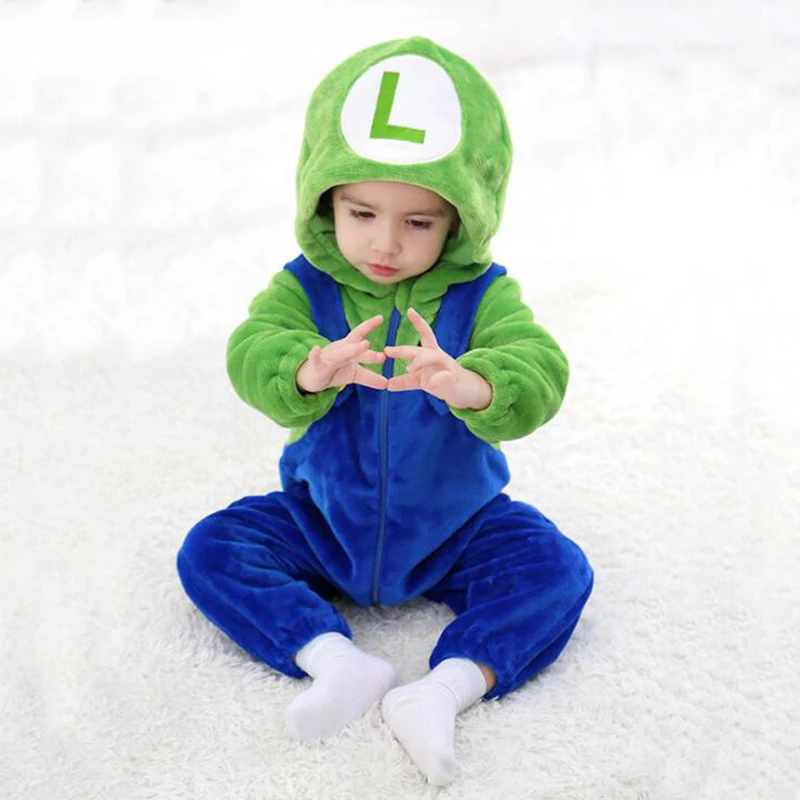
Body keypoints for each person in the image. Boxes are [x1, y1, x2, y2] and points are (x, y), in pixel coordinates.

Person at [176, 35, 594, 786]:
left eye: (418, 223)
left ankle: (444, 690)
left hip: (459, 526)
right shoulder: (304, 286)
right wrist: (306, 367)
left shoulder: (483, 294)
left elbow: (540, 365)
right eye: (362, 212)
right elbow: (252, 347)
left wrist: (474, 384)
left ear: (461, 220)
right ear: (324, 201)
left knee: (558, 572)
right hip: (322, 521)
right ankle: (336, 662)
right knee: (211, 549)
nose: (385, 243)